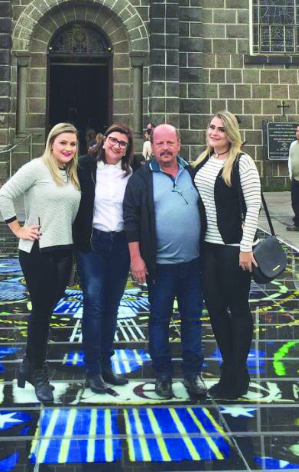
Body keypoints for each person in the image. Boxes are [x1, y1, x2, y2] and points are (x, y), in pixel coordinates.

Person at [0, 123, 81, 404]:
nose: (68, 148)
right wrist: (17, 228)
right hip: (37, 251)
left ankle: (28, 364)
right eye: (63, 143)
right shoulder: (36, 167)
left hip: (63, 252)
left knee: (45, 309)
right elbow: (4, 194)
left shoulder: (70, 174)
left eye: (73, 144)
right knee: (42, 312)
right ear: (51, 144)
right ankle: (39, 372)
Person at [123, 124, 207, 400]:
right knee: (159, 320)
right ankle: (162, 376)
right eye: (160, 143)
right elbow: (131, 219)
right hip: (160, 266)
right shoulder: (141, 177)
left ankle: (193, 374)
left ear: (179, 144)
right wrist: (136, 258)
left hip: (193, 264)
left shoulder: (193, 173)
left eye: (170, 142)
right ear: (152, 145)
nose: (165, 148)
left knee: (192, 320)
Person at [192, 111, 261, 400]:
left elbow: (254, 204)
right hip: (207, 247)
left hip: (233, 248)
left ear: (231, 134)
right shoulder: (202, 161)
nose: (215, 132)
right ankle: (230, 370)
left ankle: (237, 372)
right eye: (212, 127)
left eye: (221, 129)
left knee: (239, 309)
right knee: (216, 310)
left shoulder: (241, 161)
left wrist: (246, 247)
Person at [74, 123, 135, 393]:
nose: (117, 145)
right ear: (104, 140)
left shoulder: (132, 172)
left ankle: (107, 365)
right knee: (94, 305)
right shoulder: (85, 166)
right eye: (113, 140)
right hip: (93, 244)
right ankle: (93, 370)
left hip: (120, 245)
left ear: (127, 149)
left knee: (112, 308)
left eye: (123, 143)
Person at [287, 124, 299, 233]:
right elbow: (290, 159)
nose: (298, 133)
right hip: (295, 179)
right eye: (297, 131)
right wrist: (290, 174)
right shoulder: (293, 144)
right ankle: (298, 223)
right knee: (295, 202)